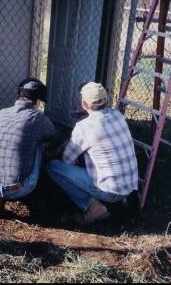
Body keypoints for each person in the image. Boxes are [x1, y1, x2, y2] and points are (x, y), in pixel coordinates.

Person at [47, 82, 138, 225]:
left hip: (110, 192)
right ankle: (122, 202)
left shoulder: (83, 127)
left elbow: (67, 160)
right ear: (107, 101)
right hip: (130, 187)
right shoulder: (118, 115)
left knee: (53, 167)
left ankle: (92, 207)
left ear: (84, 104)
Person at [0, 78, 56, 217]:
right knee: (38, 145)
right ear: (37, 101)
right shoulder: (37, 117)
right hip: (17, 188)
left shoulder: (1, 113)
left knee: (6, 144)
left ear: (20, 96)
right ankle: (37, 195)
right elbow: (53, 135)